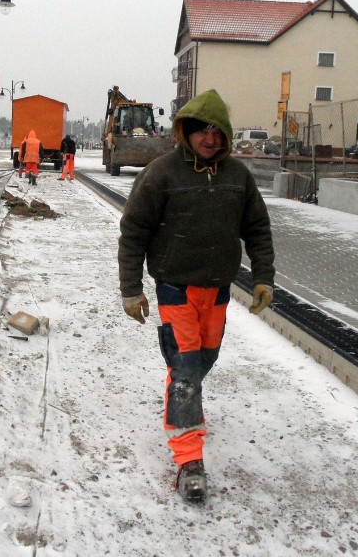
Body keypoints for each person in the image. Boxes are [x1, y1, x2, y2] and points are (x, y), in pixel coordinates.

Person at [117, 89, 275, 503]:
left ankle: (183, 403)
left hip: (218, 290)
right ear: (185, 129)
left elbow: (257, 228)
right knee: (186, 371)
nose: (210, 139)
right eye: (202, 130)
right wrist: (131, 289)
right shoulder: (161, 174)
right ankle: (189, 460)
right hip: (175, 288)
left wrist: (263, 277)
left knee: (203, 361)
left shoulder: (237, 177)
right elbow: (134, 232)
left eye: (217, 131)